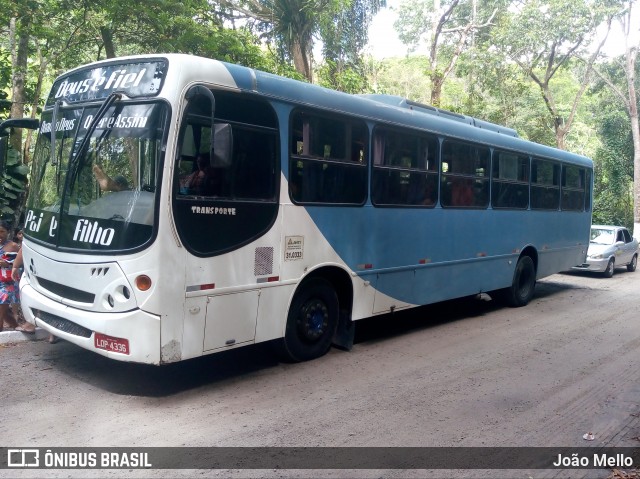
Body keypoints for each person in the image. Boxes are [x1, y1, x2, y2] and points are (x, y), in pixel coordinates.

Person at [10, 247, 58, 342]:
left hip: (37, 269)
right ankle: (53, 332)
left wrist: (15, 266)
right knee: (52, 299)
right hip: (56, 270)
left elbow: (24, 247)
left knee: (36, 297)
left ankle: (30, 324)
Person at [0, 220, 34, 334]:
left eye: (2, 231)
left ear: (8, 232)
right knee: (3, 311)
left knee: (1, 307)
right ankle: (15, 325)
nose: (0, 234)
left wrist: (7, 264)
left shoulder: (13, 246)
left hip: (7, 282)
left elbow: (21, 262)